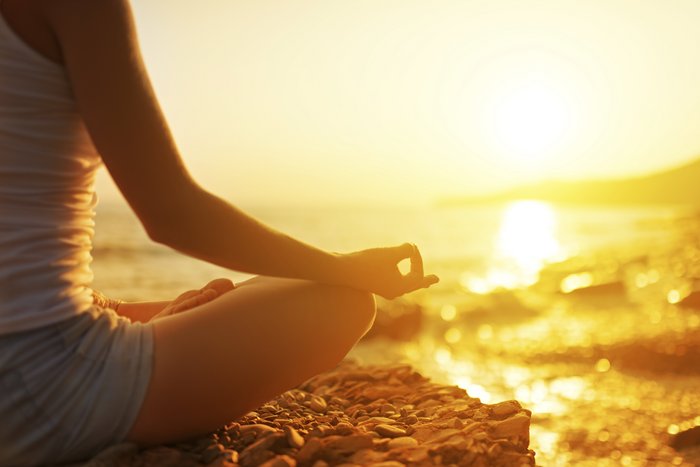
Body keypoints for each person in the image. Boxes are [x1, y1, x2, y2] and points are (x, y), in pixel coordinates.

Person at [0, 0, 439, 464]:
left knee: (217, 298)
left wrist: (128, 311)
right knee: (340, 300)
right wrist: (346, 268)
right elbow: (174, 215)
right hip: (42, 390)